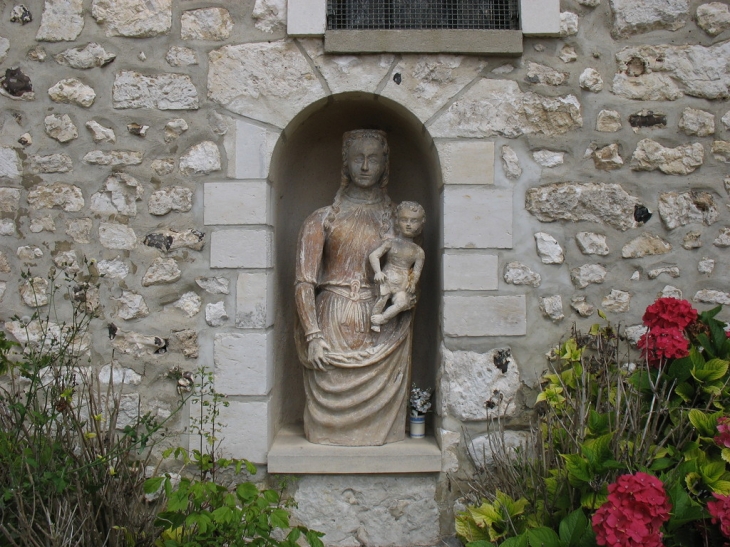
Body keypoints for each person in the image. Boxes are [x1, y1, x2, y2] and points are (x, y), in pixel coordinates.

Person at [294, 129, 418, 446]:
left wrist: (405, 297)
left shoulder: (400, 220)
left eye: (373, 158)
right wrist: (313, 335)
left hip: (383, 330)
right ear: (346, 164)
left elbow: (410, 271)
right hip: (330, 323)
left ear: (384, 164)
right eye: (357, 158)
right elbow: (304, 282)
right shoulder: (321, 218)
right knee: (325, 420)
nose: (365, 166)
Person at [369, 201, 425, 332]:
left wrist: (412, 283)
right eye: (404, 220)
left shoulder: (418, 252)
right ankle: (374, 322)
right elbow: (374, 255)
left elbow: (416, 271)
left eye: (414, 221)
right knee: (382, 299)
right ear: (397, 222)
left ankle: (383, 318)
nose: (409, 224)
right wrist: (377, 272)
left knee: (402, 303)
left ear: (421, 224)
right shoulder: (391, 243)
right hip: (387, 278)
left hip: (402, 284)